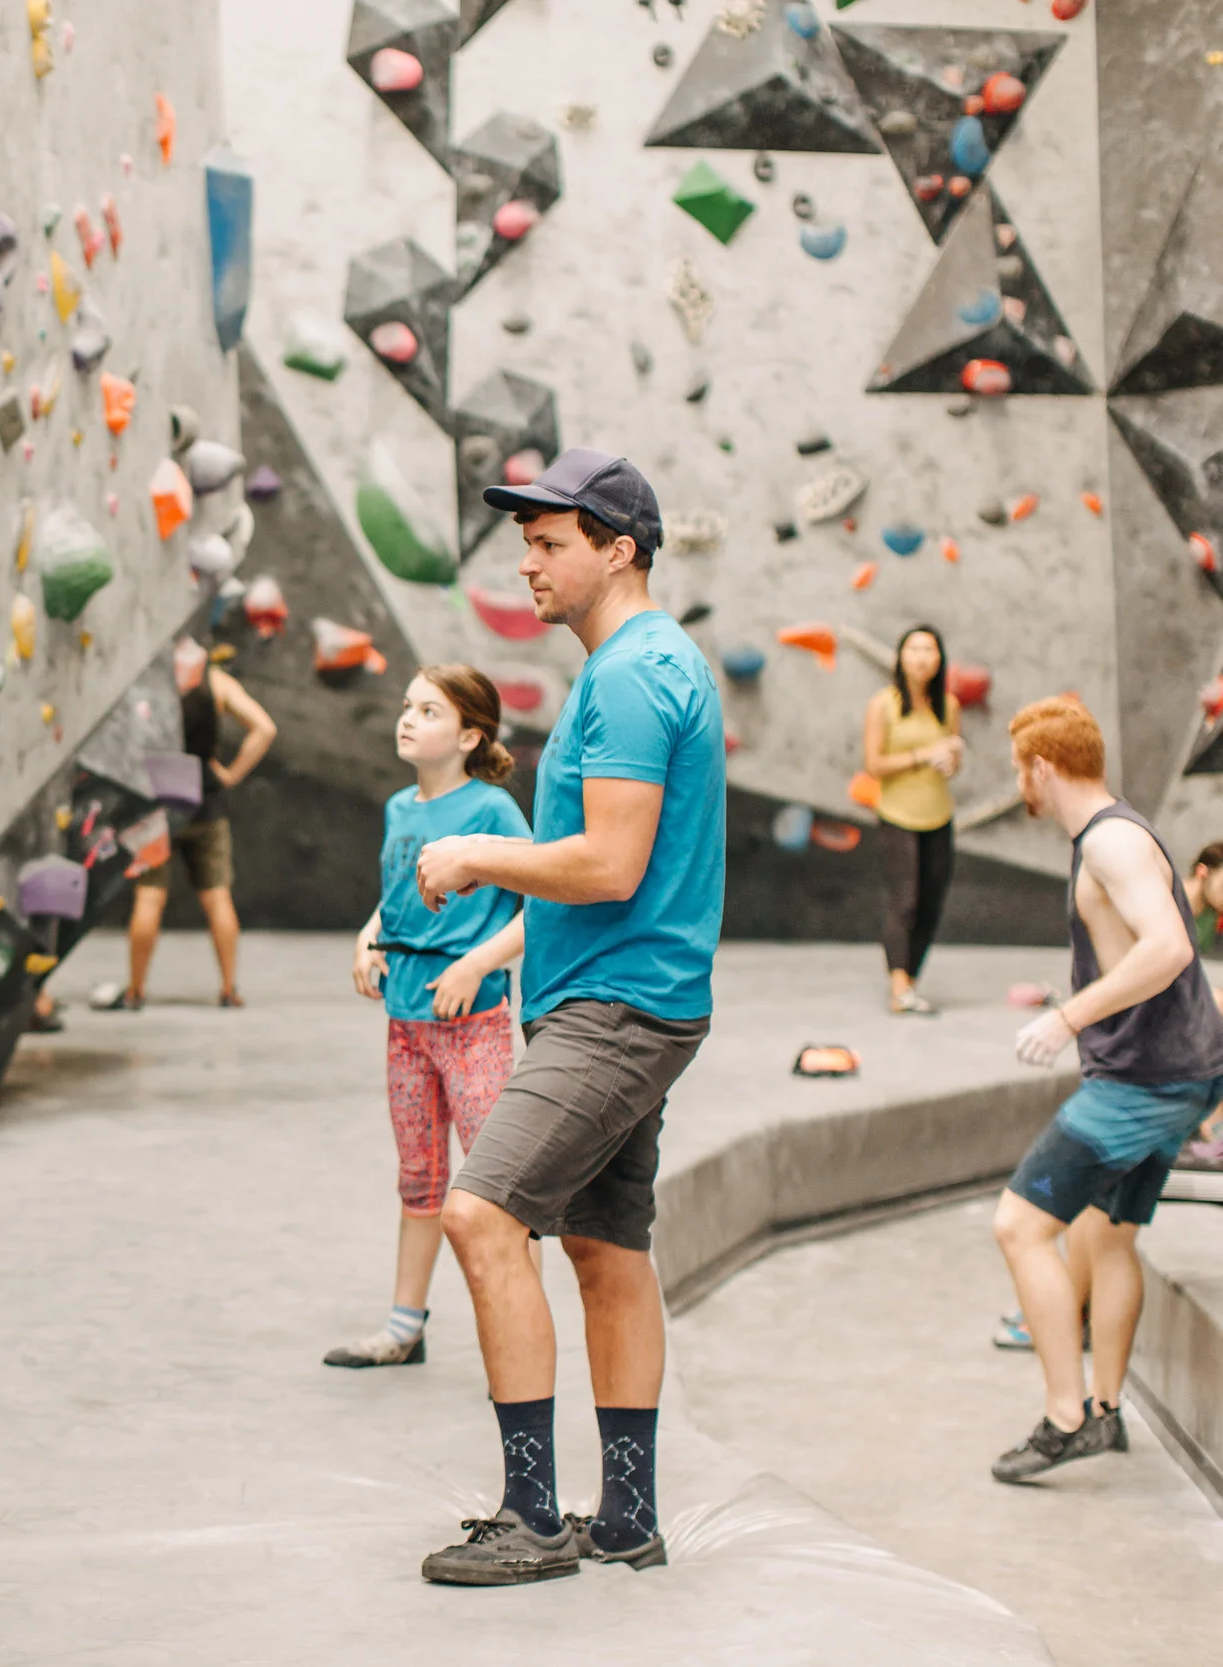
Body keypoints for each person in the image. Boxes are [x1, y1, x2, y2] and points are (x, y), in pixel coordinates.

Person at [409, 449, 724, 1586]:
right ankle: (626, 1516)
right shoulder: (633, 664)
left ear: (618, 548)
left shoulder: (634, 673)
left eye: (549, 541)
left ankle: (534, 1516)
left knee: (481, 1214)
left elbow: (609, 861)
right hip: (619, 998)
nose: (526, 561)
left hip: (615, 1007)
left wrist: (475, 851)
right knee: (602, 1241)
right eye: (527, 541)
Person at [990, 696, 1223, 1483]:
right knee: (1113, 1234)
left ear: (1043, 767)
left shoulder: (1111, 843)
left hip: (1141, 1083)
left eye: (1021, 769)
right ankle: (1107, 1409)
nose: (1019, 783)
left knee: (1020, 1226)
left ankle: (1065, 1416)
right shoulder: (1119, 830)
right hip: (1183, 1075)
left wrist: (1066, 1019)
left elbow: (1167, 950)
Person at [330, 667, 530, 1369]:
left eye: (428, 710)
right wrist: (368, 932)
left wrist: (476, 964)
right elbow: (400, 896)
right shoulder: (398, 807)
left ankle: (515, 1339)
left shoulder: (495, 813)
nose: (407, 719)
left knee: (494, 1182)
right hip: (406, 1022)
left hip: (472, 1026)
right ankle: (403, 1327)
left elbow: (546, 905)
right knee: (419, 1175)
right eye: (406, 706)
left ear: (470, 734)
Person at [94, 637, 275, 1010]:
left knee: (149, 897)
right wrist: (231, 774)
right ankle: (229, 989)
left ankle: (136, 990)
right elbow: (264, 728)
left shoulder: (147, 679)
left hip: (154, 804)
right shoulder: (216, 681)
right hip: (204, 801)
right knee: (217, 895)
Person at [862, 625, 963, 1014]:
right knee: (904, 901)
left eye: (930, 649)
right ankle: (899, 986)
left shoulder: (948, 706)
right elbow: (873, 764)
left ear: (939, 660)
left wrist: (951, 758)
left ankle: (911, 982)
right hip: (897, 816)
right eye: (914, 648)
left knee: (932, 903)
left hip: (939, 815)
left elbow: (950, 761)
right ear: (901, 657)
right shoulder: (883, 704)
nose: (922, 656)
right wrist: (923, 755)